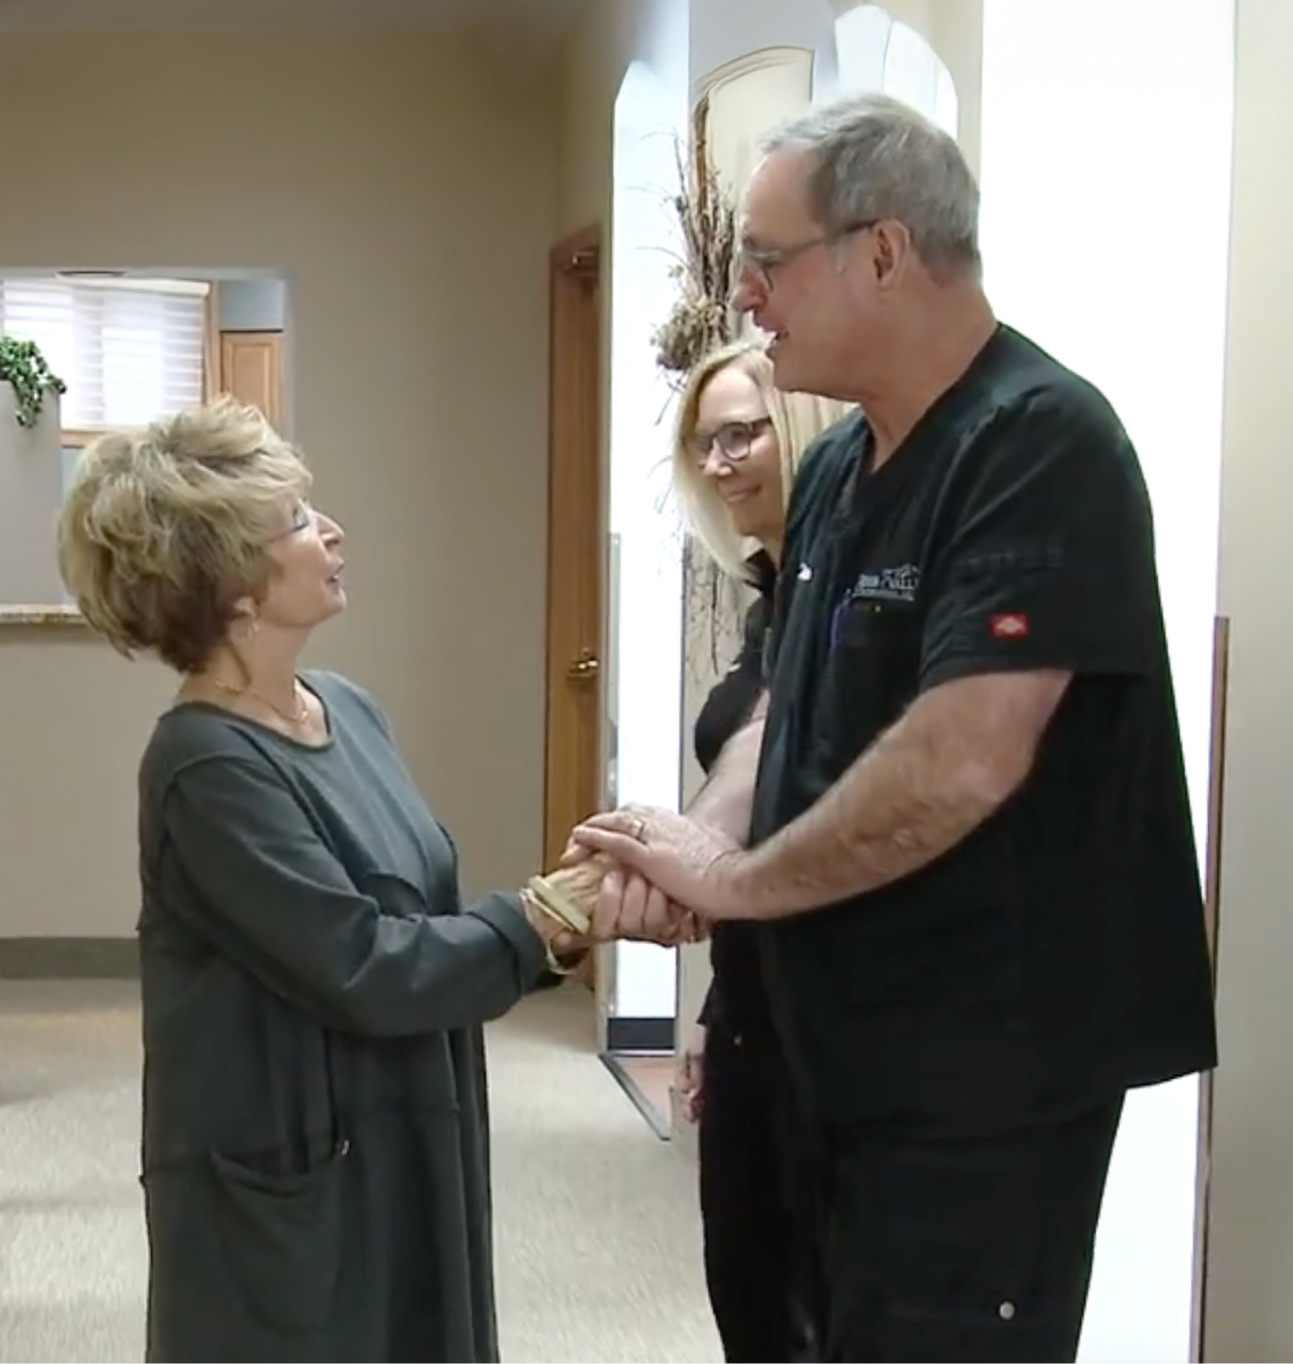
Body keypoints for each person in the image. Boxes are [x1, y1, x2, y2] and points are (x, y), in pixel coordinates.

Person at [573, 93, 1218, 1364]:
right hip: (822, 1051)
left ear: (882, 251)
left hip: (977, 1075)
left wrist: (739, 884)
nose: (747, 295)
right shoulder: (834, 471)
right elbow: (779, 709)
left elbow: (965, 754)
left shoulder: (1040, 444)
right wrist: (697, 837)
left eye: (769, 260)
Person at [55, 398, 606, 1364]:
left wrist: (550, 917)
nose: (333, 531)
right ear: (234, 585)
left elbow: (419, 910)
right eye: (300, 519)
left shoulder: (346, 707)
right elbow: (362, 964)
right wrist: (545, 918)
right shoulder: (206, 765)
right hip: (296, 1173)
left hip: (405, 1125)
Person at [672, 337, 848, 1363]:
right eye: (707, 443)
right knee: (747, 1293)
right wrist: (714, 1004)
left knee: (818, 1313)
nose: (724, 459)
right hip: (753, 1003)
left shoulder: (850, 605)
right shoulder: (771, 599)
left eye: (745, 432)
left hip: (831, 1017)